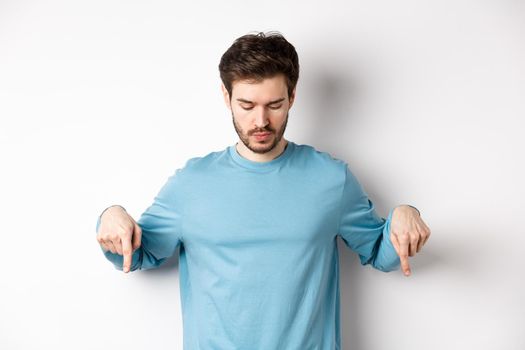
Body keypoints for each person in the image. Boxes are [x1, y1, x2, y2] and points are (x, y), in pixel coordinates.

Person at [95, 31, 431, 349]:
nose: (260, 121)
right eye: (247, 105)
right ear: (226, 97)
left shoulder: (331, 179)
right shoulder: (191, 184)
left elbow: (381, 251)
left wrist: (405, 214)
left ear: (292, 97)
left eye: (274, 105)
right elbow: (136, 254)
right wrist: (111, 217)